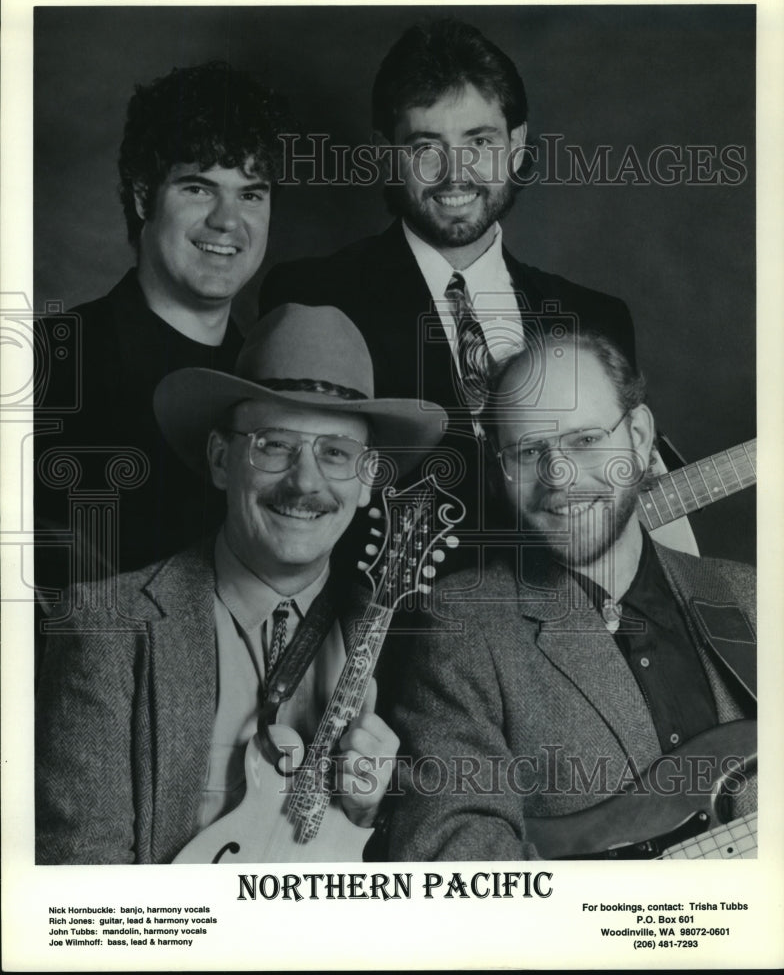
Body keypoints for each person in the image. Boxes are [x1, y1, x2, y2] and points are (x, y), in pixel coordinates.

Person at [35, 303, 448, 864]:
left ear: (369, 479)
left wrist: (365, 813)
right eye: (275, 445)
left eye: (335, 453)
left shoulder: (405, 648)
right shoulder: (107, 630)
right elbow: (84, 889)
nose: (306, 483)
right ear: (222, 459)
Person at [259, 18, 640, 542]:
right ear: (382, 153)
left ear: (517, 144)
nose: (454, 173)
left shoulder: (598, 319)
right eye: (424, 147)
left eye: (479, 141)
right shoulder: (315, 298)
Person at [384, 330, 756, 861]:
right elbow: (451, 859)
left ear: (640, 436)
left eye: (585, 440)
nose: (559, 476)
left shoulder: (752, 597)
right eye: (530, 450)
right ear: (499, 469)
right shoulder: (463, 624)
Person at [35, 60, 291, 585]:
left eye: (250, 194)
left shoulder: (276, 384)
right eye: (198, 188)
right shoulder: (46, 366)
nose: (227, 221)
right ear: (141, 194)